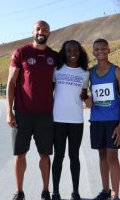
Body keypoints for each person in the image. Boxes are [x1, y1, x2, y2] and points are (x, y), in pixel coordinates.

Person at [6, 20, 58, 200]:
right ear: (33, 31)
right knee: (20, 154)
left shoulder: (54, 56)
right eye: (38, 29)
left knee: (45, 154)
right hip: (22, 113)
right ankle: (19, 192)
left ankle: (45, 191)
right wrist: (9, 112)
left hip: (45, 114)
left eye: (44, 29)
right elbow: (11, 84)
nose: (41, 31)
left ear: (49, 33)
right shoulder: (21, 53)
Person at [85, 38, 120, 200]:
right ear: (93, 52)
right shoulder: (89, 73)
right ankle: (105, 191)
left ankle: (115, 194)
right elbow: (87, 99)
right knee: (102, 156)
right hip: (96, 121)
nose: (101, 51)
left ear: (109, 50)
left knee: (112, 157)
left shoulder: (117, 71)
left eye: (104, 48)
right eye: (97, 49)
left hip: (113, 121)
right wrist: (86, 99)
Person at [51, 40, 89, 200]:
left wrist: (85, 97)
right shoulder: (56, 71)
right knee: (58, 156)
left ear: (80, 52)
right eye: (68, 50)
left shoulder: (84, 73)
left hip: (76, 120)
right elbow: (49, 91)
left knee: (74, 156)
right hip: (58, 119)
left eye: (76, 50)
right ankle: (55, 192)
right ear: (63, 53)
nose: (72, 53)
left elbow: (84, 95)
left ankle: (75, 192)